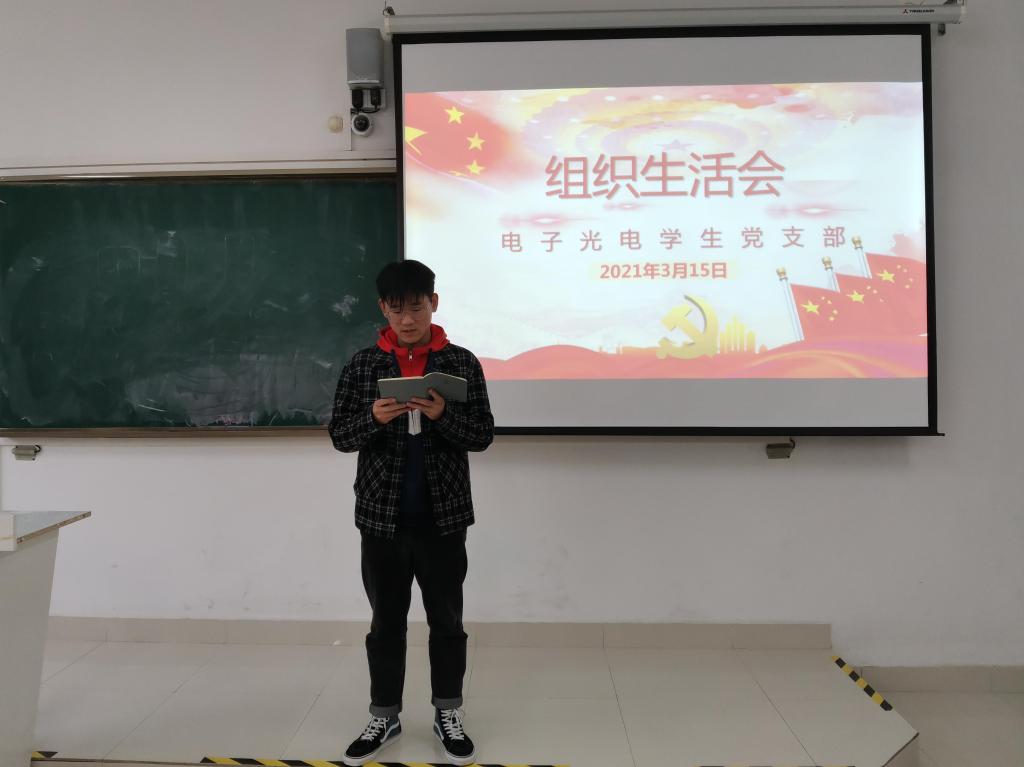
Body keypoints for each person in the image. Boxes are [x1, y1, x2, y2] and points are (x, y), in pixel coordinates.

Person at [328, 259, 494, 766]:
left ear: (433, 304)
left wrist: (443, 414)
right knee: (386, 624)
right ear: (383, 308)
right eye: (397, 309)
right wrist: (372, 419)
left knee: (447, 623)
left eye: (417, 307)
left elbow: (483, 435)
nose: (407, 319)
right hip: (381, 520)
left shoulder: (461, 363)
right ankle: (385, 715)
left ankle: (448, 713)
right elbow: (340, 436)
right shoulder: (363, 365)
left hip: (444, 518)